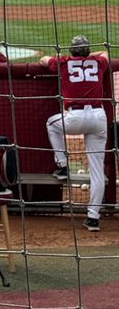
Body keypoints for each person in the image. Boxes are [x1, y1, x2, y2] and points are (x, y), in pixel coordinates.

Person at [41, 34, 112, 233]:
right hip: (98, 118)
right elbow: (106, 53)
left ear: (72, 51)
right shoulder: (98, 62)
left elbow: (43, 60)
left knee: (51, 124)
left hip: (75, 118)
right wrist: (88, 56)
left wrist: (70, 58)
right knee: (97, 171)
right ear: (88, 51)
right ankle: (93, 218)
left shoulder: (63, 63)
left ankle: (63, 165)